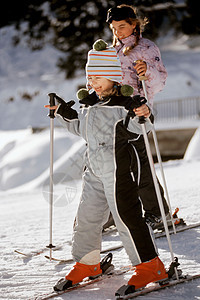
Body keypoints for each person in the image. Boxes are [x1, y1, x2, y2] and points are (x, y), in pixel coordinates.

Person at [45, 40, 169, 296]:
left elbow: (141, 128)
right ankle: (87, 263)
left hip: (119, 171)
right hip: (94, 172)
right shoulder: (90, 104)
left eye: (99, 76)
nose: (93, 81)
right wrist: (62, 112)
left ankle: (150, 265)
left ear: (113, 77)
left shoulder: (125, 104)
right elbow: (83, 129)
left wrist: (142, 113)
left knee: (127, 217)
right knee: (87, 218)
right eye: (90, 76)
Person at [105, 4, 171, 230]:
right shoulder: (110, 51)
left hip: (138, 111)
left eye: (122, 26)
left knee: (140, 165)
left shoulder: (146, 48)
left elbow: (159, 82)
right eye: (114, 28)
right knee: (111, 165)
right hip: (114, 113)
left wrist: (147, 71)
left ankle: (158, 212)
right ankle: (114, 212)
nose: (118, 32)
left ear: (134, 24)